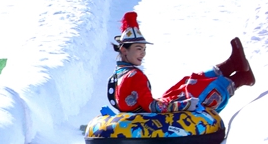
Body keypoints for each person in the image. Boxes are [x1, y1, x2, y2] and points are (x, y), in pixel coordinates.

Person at [108, 12, 256, 114]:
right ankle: (239, 78)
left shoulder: (118, 74)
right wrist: (185, 104)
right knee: (197, 93)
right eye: (138, 49)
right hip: (149, 116)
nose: (143, 53)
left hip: (143, 113)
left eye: (144, 49)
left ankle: (233, 64)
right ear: (124, 50)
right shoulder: (134, 75)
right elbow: (151, 106)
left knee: (185, 84)